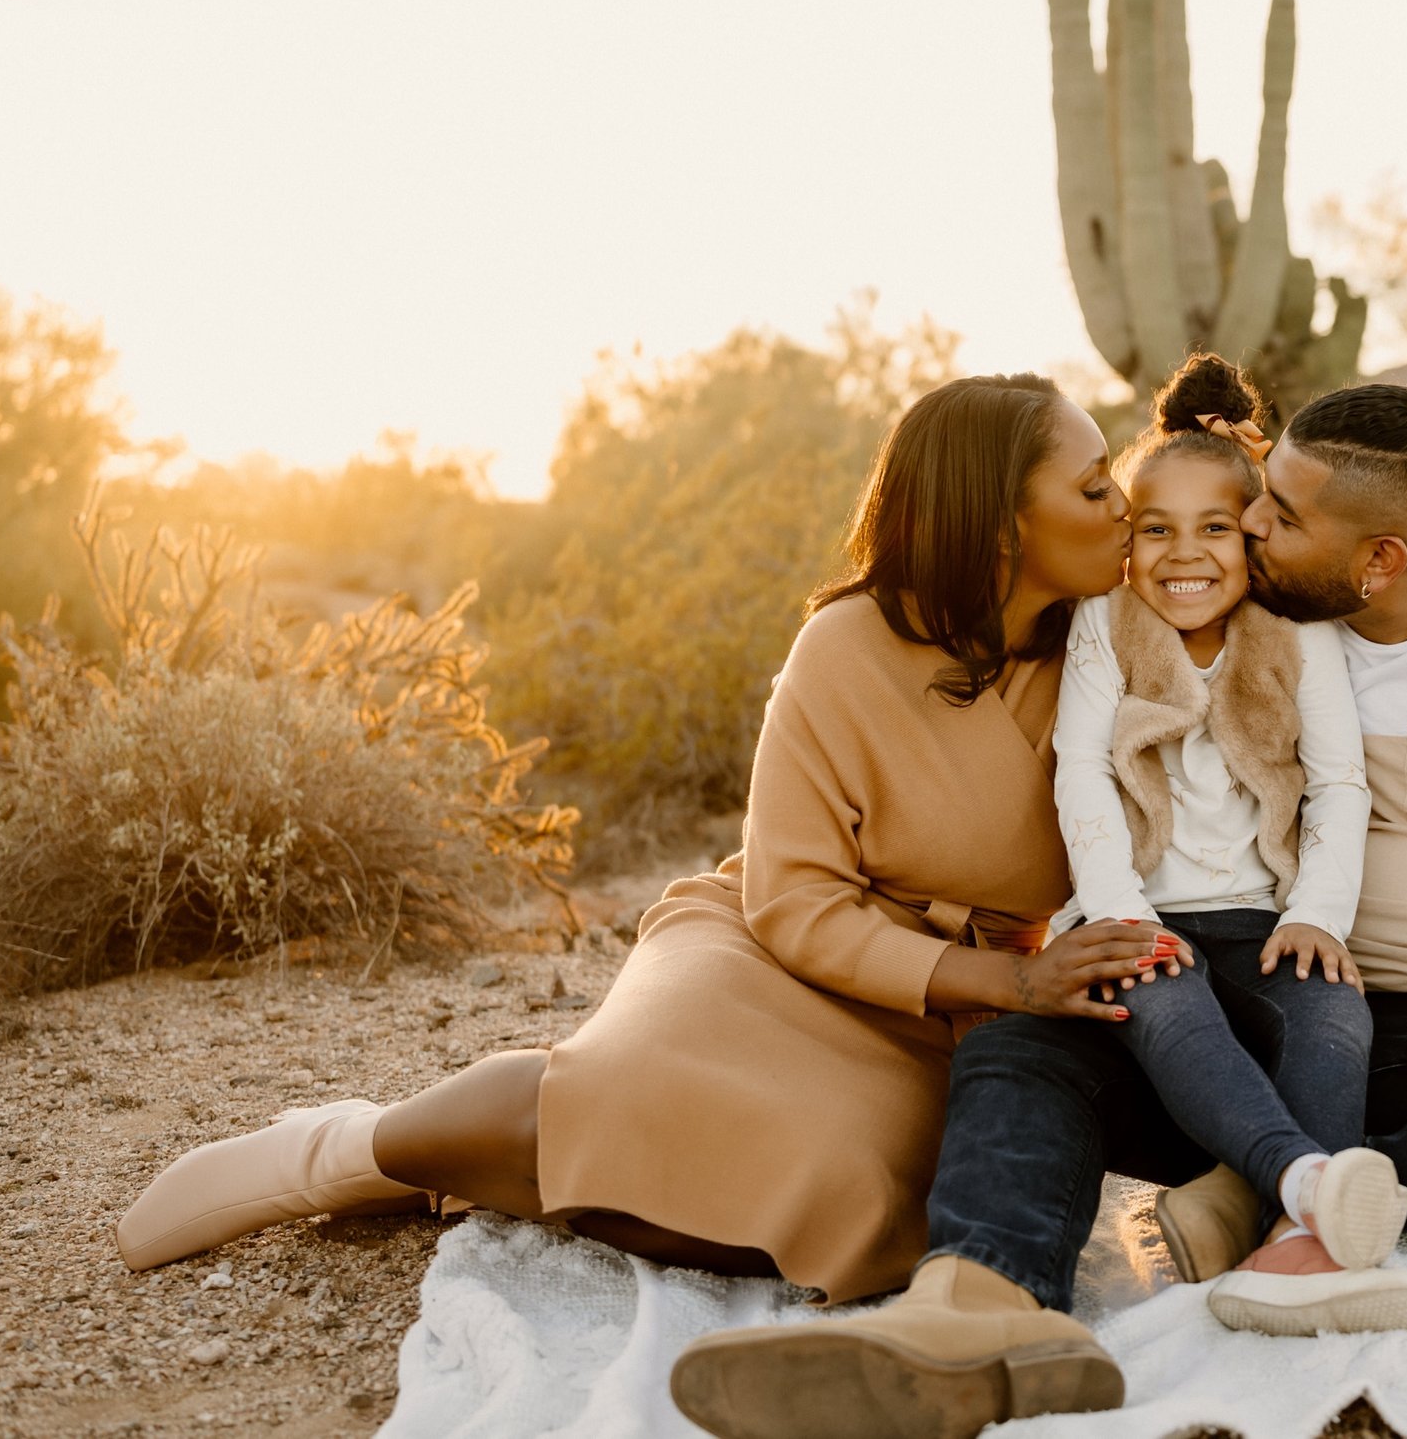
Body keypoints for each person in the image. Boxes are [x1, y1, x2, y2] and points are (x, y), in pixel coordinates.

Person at [667, 380, 1407, 1439]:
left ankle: (1304, 1198)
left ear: (1379, 557)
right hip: (1232, 1032)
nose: (1245, 526)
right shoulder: (1212, 614)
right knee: (1032, 1037)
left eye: (1277, 517)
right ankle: (978, 1305)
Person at [113, 373, 1176, 1385]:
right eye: (1092, 488)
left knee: (854, 1209)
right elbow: (793, 898)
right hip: (774, 953)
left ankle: (505, 1178)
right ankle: (354, 1148)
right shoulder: (844, 645)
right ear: (999, 526)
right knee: (626, 1104)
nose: (1122, 508)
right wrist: (1004, 986)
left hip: (963, 1008)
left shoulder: (1110, 648)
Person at [1049, 354, 1407, 1335]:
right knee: (1172, 1013)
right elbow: (1080, 770)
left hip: (1263, 915)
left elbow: (1340, 784)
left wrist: (1316, 915)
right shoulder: (1103, 626)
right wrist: (1122, 916)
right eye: (1156, 530)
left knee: (1334, 1014)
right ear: (1126, 545)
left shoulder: (1297, 636)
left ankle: (1291, 1247)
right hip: (1144, 910)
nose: (1187, 555)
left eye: (1215, 527)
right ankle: (1307, 1191)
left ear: (1251, 537)